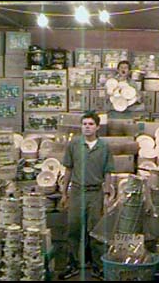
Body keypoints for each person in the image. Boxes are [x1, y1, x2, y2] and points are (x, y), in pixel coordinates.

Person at [58, 111, 114, 280]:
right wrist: (64, 193)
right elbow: (68, 169)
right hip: (76, 192)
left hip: (95, 193)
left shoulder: (104, 147)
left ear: (97, 127)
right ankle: (73, 264)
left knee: (96, 232)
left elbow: (108, 172)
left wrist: (107, 193)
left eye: (90, 124)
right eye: (84, 124)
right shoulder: (74, 144)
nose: (87, 127)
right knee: (74, 229)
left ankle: (97, 266)